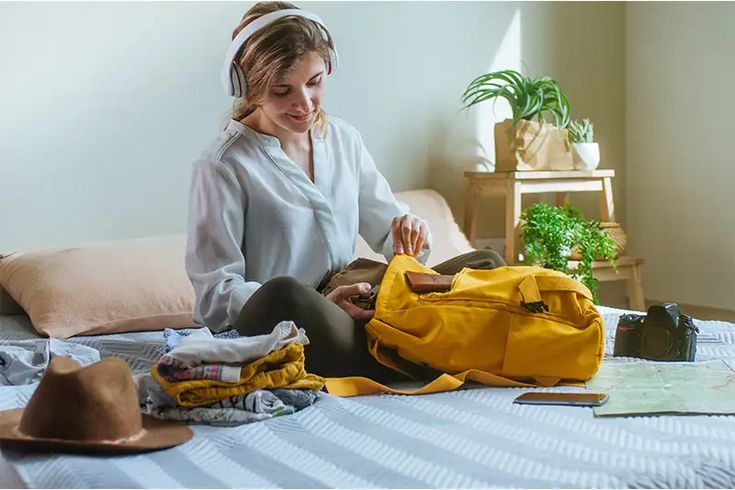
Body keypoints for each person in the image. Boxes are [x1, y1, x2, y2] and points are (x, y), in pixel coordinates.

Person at [186, 1, 504, 379]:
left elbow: (388, 229)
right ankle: (420, 351)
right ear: (248, 89)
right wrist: (321, 304)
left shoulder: (343, 140)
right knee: (283, 293)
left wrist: (408, 231)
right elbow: (215, 295)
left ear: (329, 67)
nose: (304, 103)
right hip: (294, 324)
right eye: (282, 90)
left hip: (360, 302)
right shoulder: (223, 164)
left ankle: (404, 350)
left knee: (486, 266)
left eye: (314, 82)